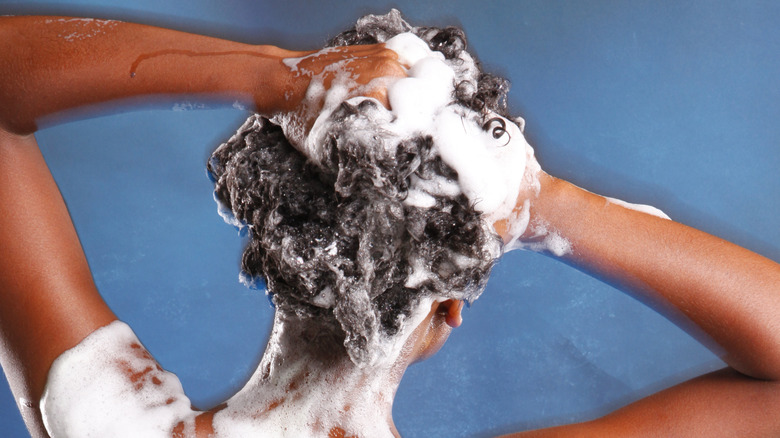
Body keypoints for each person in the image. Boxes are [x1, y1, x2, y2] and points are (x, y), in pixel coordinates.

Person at [1, 12, 779, 438]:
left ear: (281, 253)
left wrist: (277, 77)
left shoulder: (103, 420)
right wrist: (540, 204)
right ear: (449, 312)